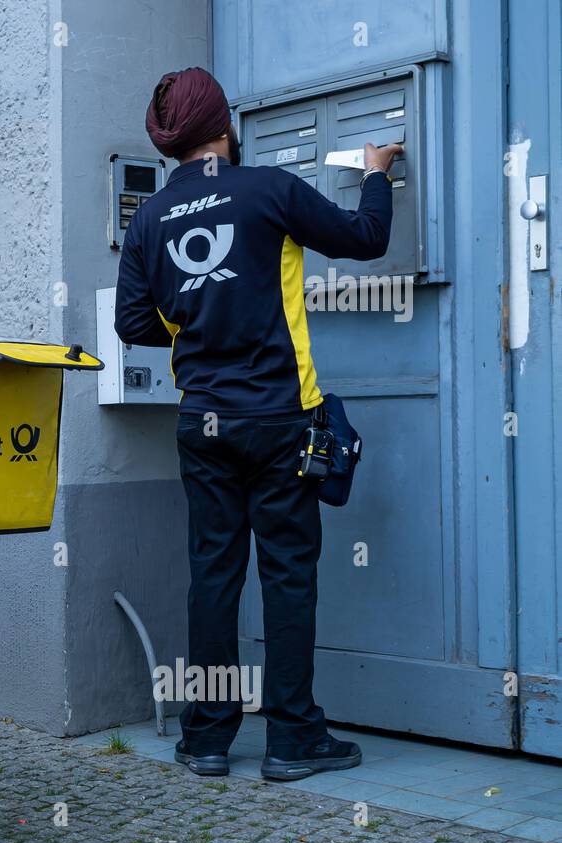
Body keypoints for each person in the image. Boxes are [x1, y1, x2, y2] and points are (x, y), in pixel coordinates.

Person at [115, 66, 403, 781]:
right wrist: (377, 173)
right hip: (280, 419)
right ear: (221, 125)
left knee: (213, 576)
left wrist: (196, 327)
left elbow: (130, 321)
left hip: (203, 422)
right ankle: (292, 739)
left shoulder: (148, 220)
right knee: (287, 576)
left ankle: (207, 737)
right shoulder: (267, 190)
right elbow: (365, 238)